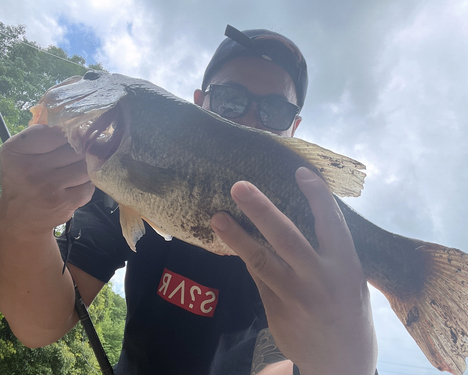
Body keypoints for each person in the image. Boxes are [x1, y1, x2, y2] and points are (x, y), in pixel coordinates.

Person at [0, 25, 377, 375]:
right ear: (200, 103)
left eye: (274, 110)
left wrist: (344, 366)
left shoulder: (297, 250)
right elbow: (42, 325)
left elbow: (273, 366)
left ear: (294, 130)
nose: (248, 120)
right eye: (231, 100)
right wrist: (23, 228)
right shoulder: (125, 176)